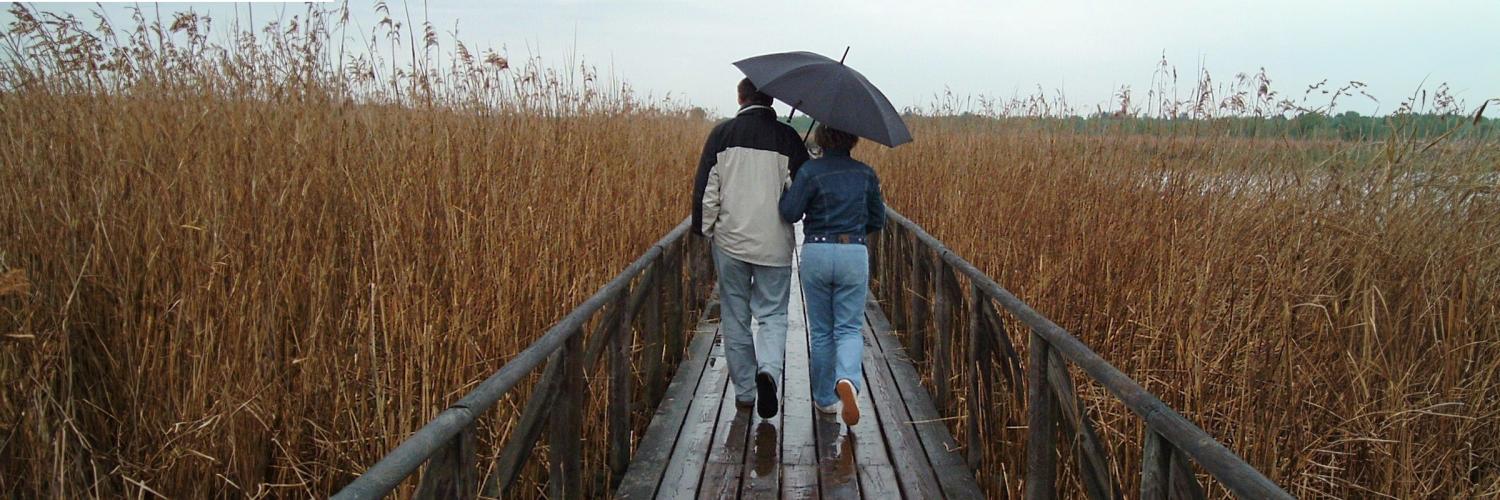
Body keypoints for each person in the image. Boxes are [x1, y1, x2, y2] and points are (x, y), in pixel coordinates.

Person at [693, 78, 810, 419]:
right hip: (774, 244)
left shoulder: (721, 135)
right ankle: (768, 372)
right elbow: (799, 197)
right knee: (773, 314)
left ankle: (745, 391)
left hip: (730, 242)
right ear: (770, 99)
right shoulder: (788, 138)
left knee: (735, 314)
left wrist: (704, 232)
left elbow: (707, 193)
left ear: (741, 97)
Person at [777, 124, 884, 426]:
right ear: (853, 138)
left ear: (821, 139)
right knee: (849, 328)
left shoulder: (811, 172)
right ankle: (848, 378)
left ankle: (824, 400)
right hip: (853, 251)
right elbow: (878, 218)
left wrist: (786, 188)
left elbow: (790, 213)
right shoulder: (866, 173)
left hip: (818, 251)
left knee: (822, 331)